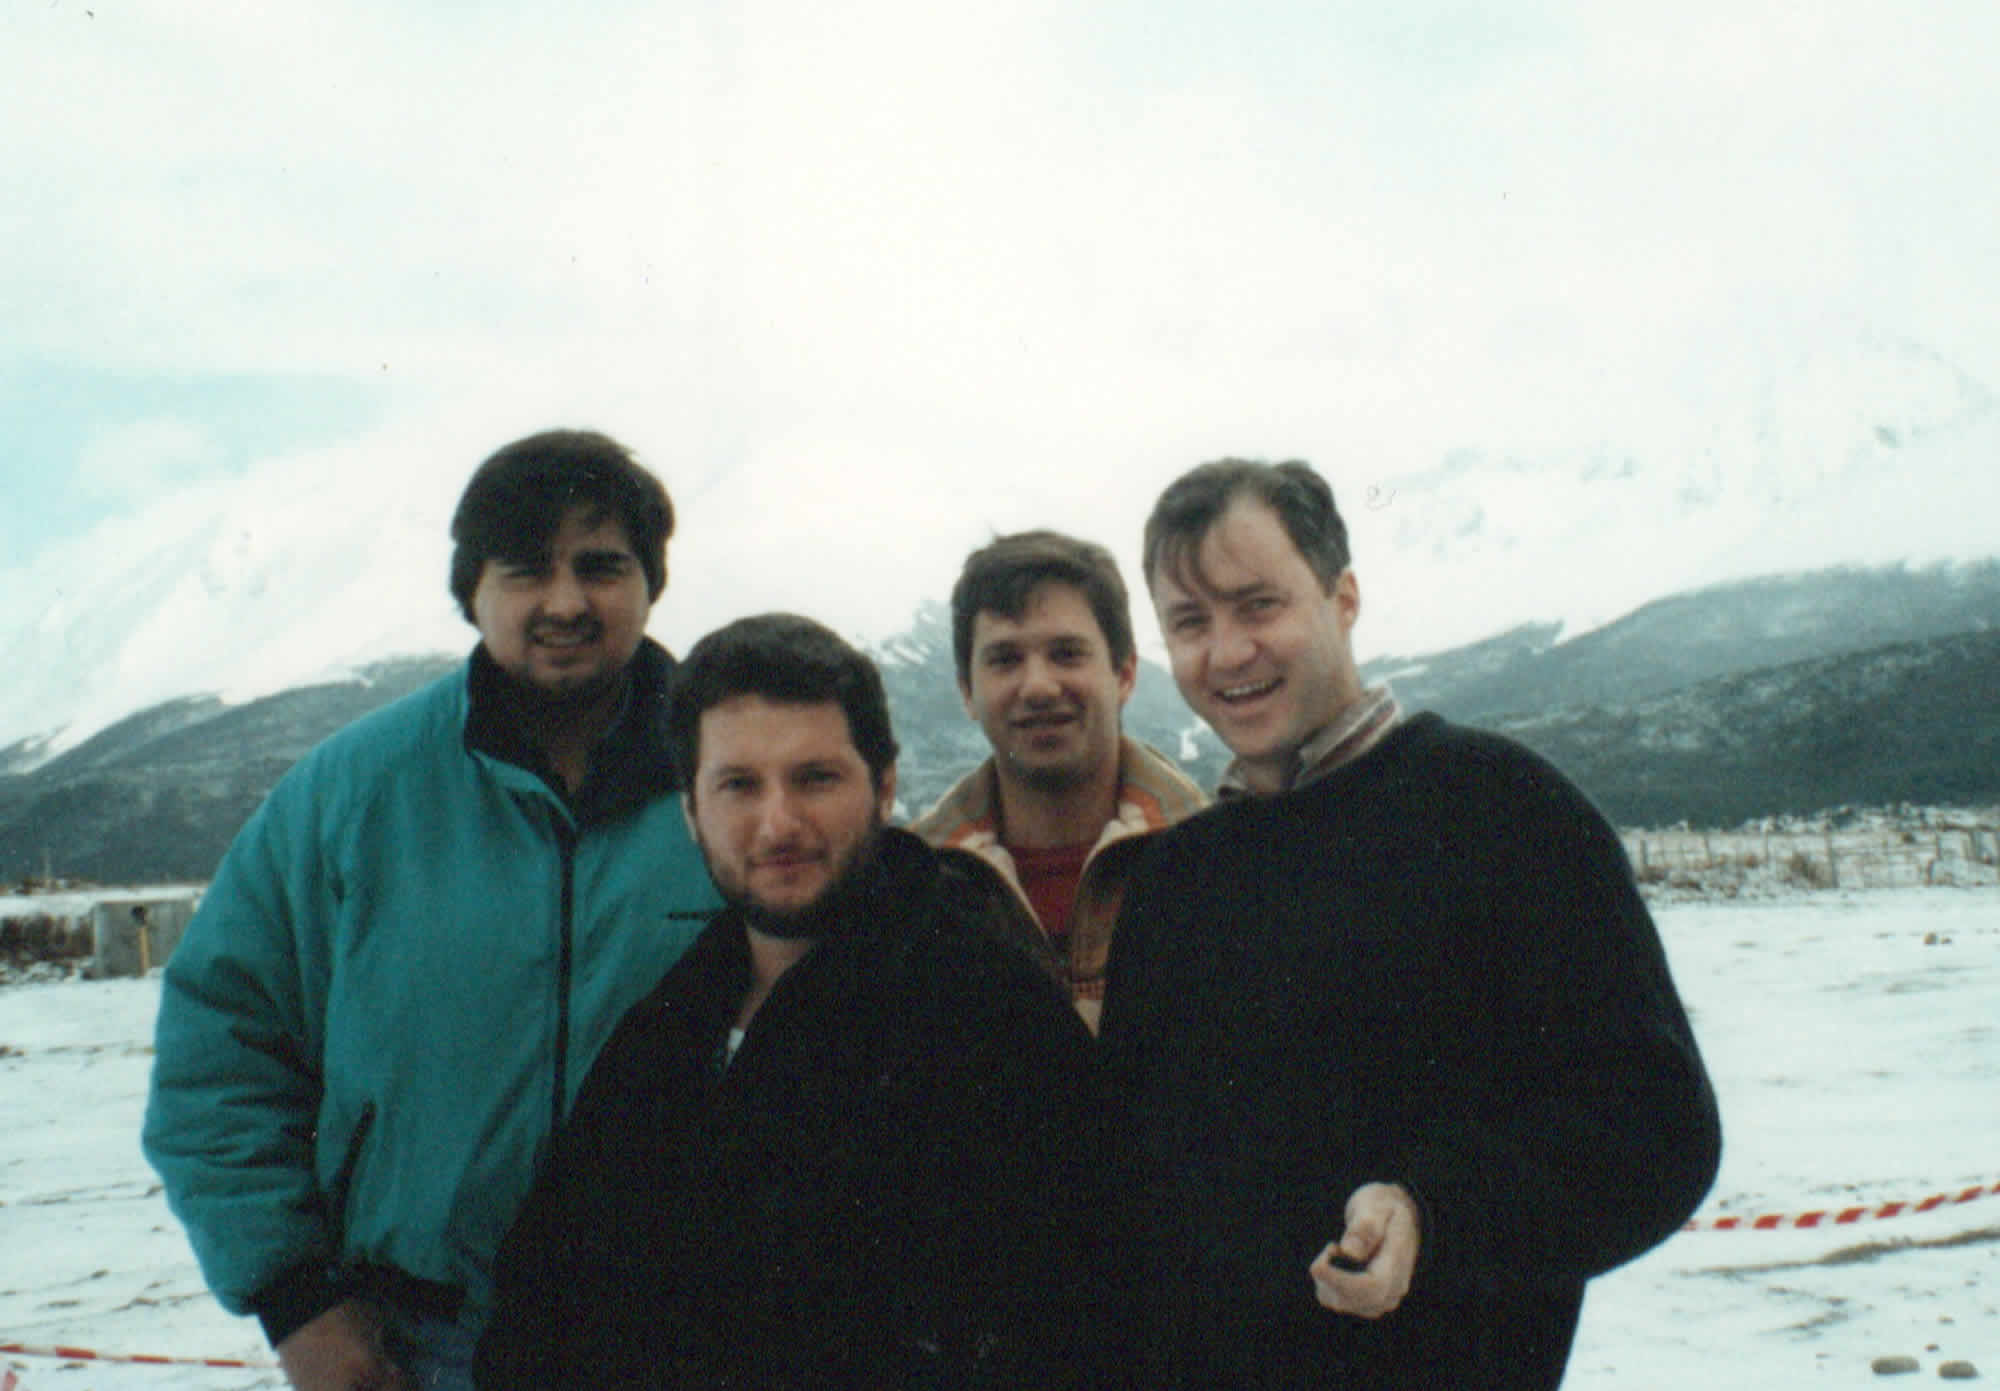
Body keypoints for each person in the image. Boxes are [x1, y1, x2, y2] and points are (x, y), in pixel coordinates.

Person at [1098, 458, 1722, 1389]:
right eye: (1191, 622)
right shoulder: (1175, 879)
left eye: (1257, 604)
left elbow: (1657, 1126)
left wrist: (1435, 1214)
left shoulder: (1505, 813)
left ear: (1342, 597)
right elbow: (1131, 1186)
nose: (1226, 653)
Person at [143, 430, 721, 1391]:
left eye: (601, 566)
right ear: (472, 592)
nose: (566, 601)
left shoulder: (737, 782)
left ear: (650, 584)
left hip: (698, 1340)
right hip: (420, 1347)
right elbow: (219, 1050)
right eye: (527, 569)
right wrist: (297, 1300)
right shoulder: (354, 792)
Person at [475, 613, 1116, 1390]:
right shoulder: (669, 1025)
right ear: (690, 810)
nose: (779, 824)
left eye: (815, 778)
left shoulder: (989, 1016)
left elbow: (1072, 1329)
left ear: (883, 787)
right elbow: (543, 1303)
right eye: (739, 785)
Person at [911, 531, 1205, 1031]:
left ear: (1125, 674)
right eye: (1005, 660)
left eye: (1067, 653)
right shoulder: (913, 887)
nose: (1040, 687)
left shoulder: (1214, 861)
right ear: (967, 691)